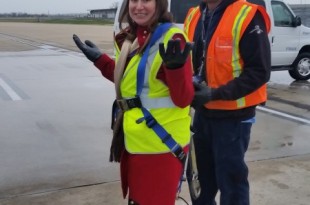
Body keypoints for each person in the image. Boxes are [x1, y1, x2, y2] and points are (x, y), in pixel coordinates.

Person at [73, 0, 194, 204]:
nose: (138, 6)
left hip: (161, 147)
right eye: (133, 0)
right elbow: (129, 82)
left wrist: (175, 70)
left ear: (159, 4)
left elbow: (183, 99)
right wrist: (100, 60)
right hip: (136, 140)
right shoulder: (132, 38)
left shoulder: (171, 39)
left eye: (146, 0)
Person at [184, 0, 271, 204]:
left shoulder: (247, 15)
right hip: (202, 114)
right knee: (198, 182)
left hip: (233, 119)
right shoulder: (194, 15)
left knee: (231, 184)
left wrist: (216, 94)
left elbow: (260, 71)